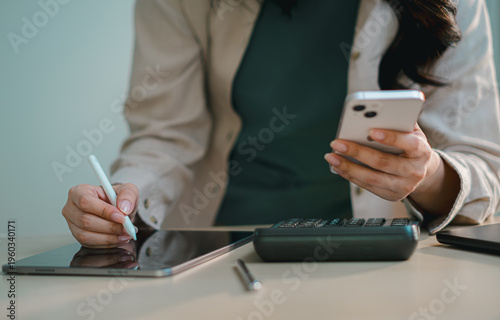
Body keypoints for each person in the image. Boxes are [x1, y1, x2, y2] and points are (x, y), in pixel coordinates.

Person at [62, 0, 500, 248]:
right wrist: (125, 201)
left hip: (379, 252)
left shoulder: (453, 5)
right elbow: (166, 134)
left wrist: (425, 175)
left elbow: (484, 169)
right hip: (220, 250)